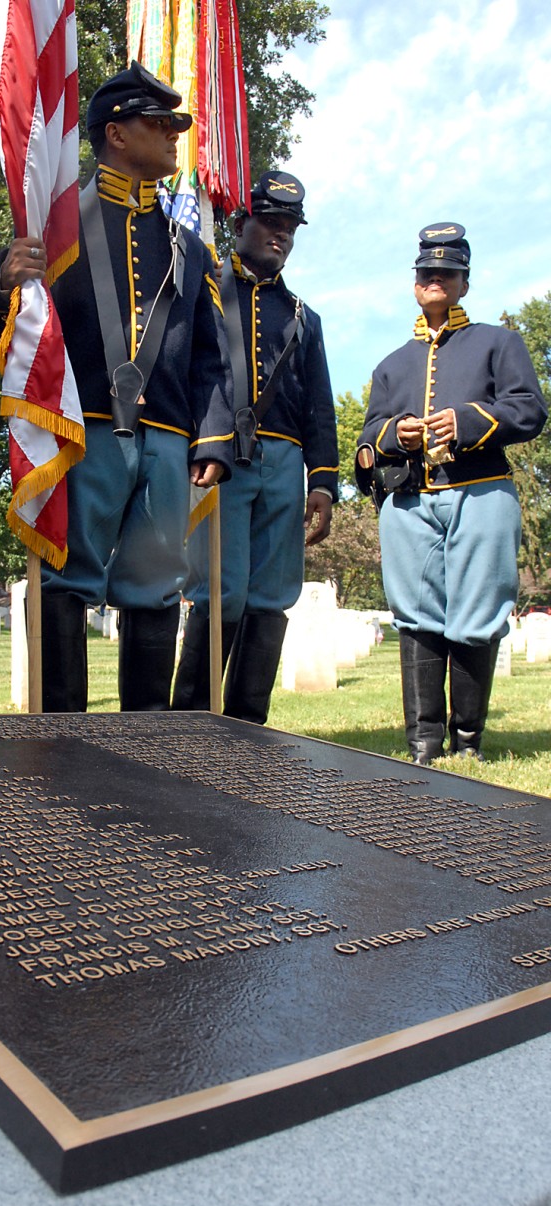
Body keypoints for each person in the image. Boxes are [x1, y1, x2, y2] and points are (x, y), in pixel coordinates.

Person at [0, 62, 234, 713]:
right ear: (116, 132)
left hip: (170, 437)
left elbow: (212, 356)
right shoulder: (58, 226)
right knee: (68, 576)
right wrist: (0, 280)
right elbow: (0, 323)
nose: (178, 135)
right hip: (81, 427)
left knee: (153, 586)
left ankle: (145, 748)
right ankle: (65, 743)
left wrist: (214, 439)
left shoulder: (187, 244)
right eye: (161, 123)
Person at [357, 222, 547, 764]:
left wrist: (465, 422)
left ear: (464, 283)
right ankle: (422, 744)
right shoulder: (391, 364)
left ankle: (467, 743)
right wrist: (396, 433)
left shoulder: (498, 343)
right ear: (415, 283)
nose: (435, 279)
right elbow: (368, 437)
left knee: (477, 615)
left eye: (447, 272)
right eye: (426, 273)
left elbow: (529, 409)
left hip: (480, 492)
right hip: (409, 502)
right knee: (416, 617)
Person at [173, 171, 339, 724]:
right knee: (221, 589)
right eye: (271, 222)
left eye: (290, 227)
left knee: (272, 595)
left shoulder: (303, 318)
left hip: (285, 462)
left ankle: (247, 725)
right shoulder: (206, 292)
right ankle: (190, 722)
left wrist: (322, 482)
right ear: (240, 222)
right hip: (222, 458)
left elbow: (319, 404)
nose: (281, 235)